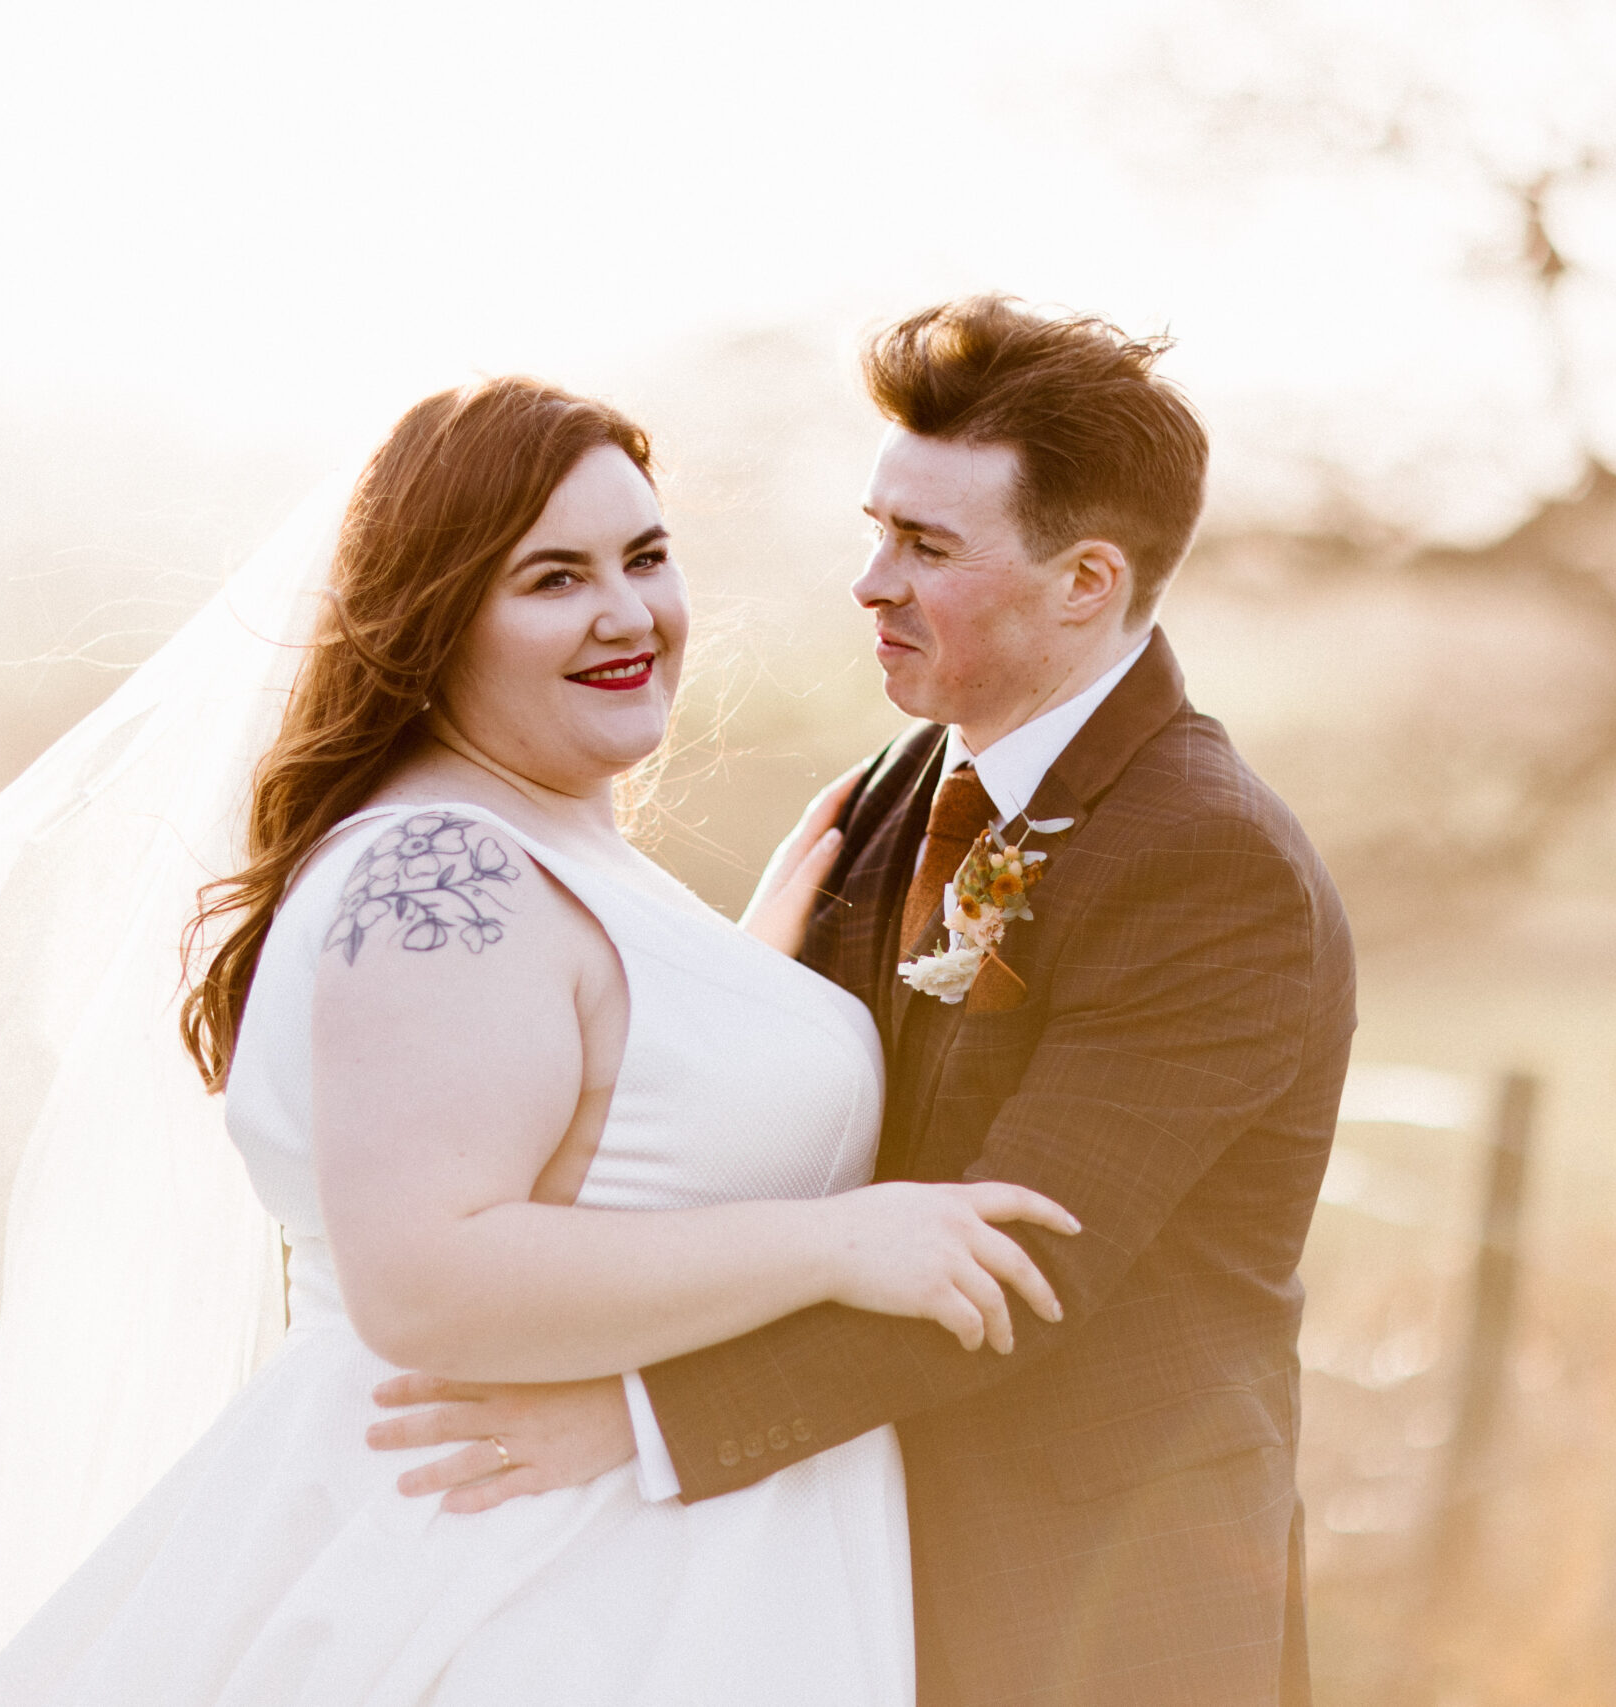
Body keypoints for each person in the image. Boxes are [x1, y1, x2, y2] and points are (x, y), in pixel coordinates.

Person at [0, 373, 1085, 1707]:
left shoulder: (544, 847)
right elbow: (430, 1278)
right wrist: (845, 1240)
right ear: (438, 620)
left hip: (651, 1570)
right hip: (528, 1595)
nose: (626, 612)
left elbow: (599, 1133)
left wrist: (744, 981)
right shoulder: (438, 877)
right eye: (551, 578)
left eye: (646, 557)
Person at [370, 299, 1359, 1707]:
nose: (868, 582)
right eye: (877, 526)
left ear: (1086, 584)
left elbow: (1013, 1268)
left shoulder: (1210, 864)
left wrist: (623, 1420)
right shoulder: (903, 783)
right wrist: (740, 994)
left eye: (925, 548)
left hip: (1091, 1603)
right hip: (847, 1562)